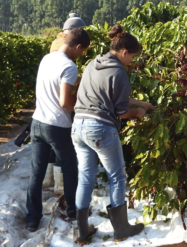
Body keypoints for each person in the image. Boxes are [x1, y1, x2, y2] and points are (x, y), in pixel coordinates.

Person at [71, 24, 155, 243]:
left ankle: (81, 232)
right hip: (99, 129)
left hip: (78, 126)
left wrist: (138, 101)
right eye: (132, 57)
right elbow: (121, 111)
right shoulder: (119, 72)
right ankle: (121, 230)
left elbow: (103, 95)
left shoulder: (93, 64)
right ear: (125, 52)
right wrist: (137, 111)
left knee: (86, 177)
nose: (132, 62)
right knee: (117, 176)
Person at [26, 28, 90, 232]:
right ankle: (73, 212)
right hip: (57, 126)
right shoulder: (69, 66)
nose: (81, 56)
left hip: (37, 122)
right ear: (78, 46)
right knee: (70, 169)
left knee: (36, 173)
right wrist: (82, 106)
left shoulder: (47, 58)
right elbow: (64, 102)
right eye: (83, 51)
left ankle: (32, 218)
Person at [42, 13, 87, 194]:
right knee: (64, 155)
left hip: (43, 114)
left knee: (49, 152)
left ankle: (48, 180)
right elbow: (64, 98)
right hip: (57, 114)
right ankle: (63, 191)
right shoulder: (66, 58)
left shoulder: (50, 54)